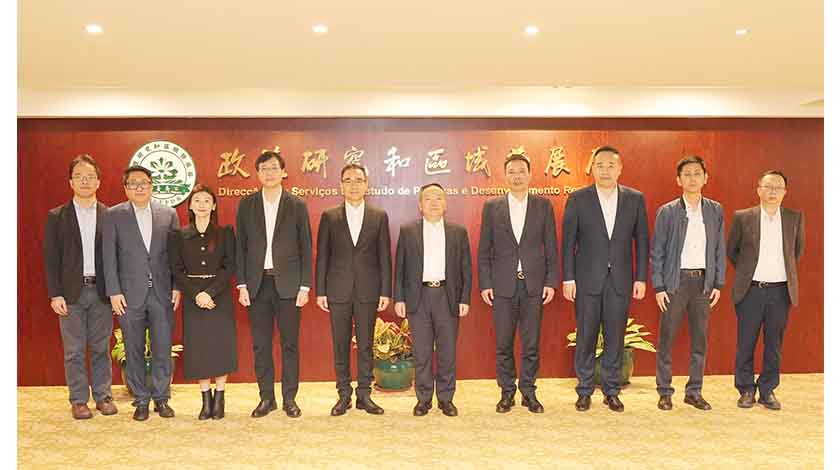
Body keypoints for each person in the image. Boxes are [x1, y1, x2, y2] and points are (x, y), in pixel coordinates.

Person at [561, 146, 649, 413]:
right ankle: (584, 390)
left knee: (615, 338)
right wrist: (568, 278)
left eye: (611, 165)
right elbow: (568, 243)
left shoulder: (635, 199)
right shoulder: (578, 199)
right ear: (592, 169)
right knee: (586, 336)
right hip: (586, 280)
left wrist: (641, 278)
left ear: (620, 169)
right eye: (600, 165)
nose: (605, 170)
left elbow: (642, 241)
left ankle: (612, 391)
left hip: (620, 280)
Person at [477, 152, 559, 414]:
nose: (517, 176)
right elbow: (484, 249)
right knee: (503, 343)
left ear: (530, 174)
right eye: (511, 171)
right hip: (502, 286)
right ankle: (507, 392)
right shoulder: (492, 207)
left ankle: (528, 392)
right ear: (505, 175)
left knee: (531, 343)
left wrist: (551, 282)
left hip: (534, 286)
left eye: (521, 171)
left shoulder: (543, 206)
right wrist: (485, 283)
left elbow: (551, 247)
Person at [235, 150, 312, 418]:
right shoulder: (247, 205)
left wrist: (305, 286)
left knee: (290, 344)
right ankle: (266, 398)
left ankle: (290, 398)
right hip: (257, 285)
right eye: (264, 169)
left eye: (274, 168)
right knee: (261, 345)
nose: (269, 173)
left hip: (289, 285)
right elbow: (241, 248)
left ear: (283, 172)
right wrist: (242, 284)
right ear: (257, 173)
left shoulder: (297, 205)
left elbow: (305, 247)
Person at [102, 165, 181, 421]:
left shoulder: (168, 214)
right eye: (133, 183)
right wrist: (114, 291)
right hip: (128, 295)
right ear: (125, 188)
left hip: (162, 292)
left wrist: (177, 286)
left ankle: (162, 398)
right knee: (133, 348)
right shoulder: (113, 215)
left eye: (144, 182)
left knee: (162, 347)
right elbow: (108, 257)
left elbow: (176, 255)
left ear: (151, 185)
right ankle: (141, 400)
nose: (139, 187)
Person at [43, 154, 117, 420]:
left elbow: (117, 256)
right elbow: (51, 259)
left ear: (98, 182)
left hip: (101, 292)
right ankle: (78, 400)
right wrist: (55, 294)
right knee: (74, 351)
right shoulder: (56, 216)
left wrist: (116, 291)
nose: (85, 181)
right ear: (70, 182)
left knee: (101, 348)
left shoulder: (110, 215)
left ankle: (103, 396)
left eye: (90, 177)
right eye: (79, 177)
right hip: (71, 294)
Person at [315, 163, 392, 416]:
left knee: (366, 345)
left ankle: (364, 395)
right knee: (340, 344)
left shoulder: (379, 216)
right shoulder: (329, 216)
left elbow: (384, 256)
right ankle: (344, 395)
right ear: (341, 186)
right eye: (348, 180)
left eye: (358, 180)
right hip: (337, 290)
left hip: (368, 290)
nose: (353, 185)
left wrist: (385, 291)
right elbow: (322, 256)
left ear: (366, 185)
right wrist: (321, 291)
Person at [650, 156, 725, 411]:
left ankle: (694, 391)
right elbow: (657, 251)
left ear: (705, 178)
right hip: (675, 282)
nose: (692, 178)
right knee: (667, 338)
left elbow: (719, 248)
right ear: (678, 180)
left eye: (697, 173)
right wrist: (659, 287)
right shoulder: (668, 211)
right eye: (687, 174)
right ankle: (665, 391)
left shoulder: (715, 210)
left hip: (703, 283)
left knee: (700, 341)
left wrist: (718, 283)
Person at [728, 170, 804, 410]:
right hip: (750, 291)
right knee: (746, 343)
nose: (773, 192)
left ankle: (768, 390)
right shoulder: (743, 217)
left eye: (778, 187)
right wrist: (748, 273)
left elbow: (796, 251)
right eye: (768, 186)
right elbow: (732, 251)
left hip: (781, 292)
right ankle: (746, 389)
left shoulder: (794, 218)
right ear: (759, 189)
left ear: (785, 192)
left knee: (774, 344)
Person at [394, 183, 472, 417]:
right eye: (428, 198)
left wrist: (464, 299)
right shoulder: (408, 231)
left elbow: (466, 269)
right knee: (422, 352)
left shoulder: (458, 232)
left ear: (445, 204)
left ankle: (446, 399)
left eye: (438, 198)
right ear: (420, 205)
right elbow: (400, 268)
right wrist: (399, 298)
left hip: (447, 296)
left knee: (447, 351)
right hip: (418, 297)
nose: (434, 202)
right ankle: (424, 399)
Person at [169, 184, 237, 420]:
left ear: (214, 205)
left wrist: (211, 292)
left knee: (220, 346)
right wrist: (197, 294)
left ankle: (220, 398)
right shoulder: (178, 235)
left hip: (220, 297)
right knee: (199, 348)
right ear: (190, 205)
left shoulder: (225, 233)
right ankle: (205, 400)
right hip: (193, 298)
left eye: (207, 200)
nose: (202, 205)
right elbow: (176, 269)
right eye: (197, 200)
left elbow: (230, 266)